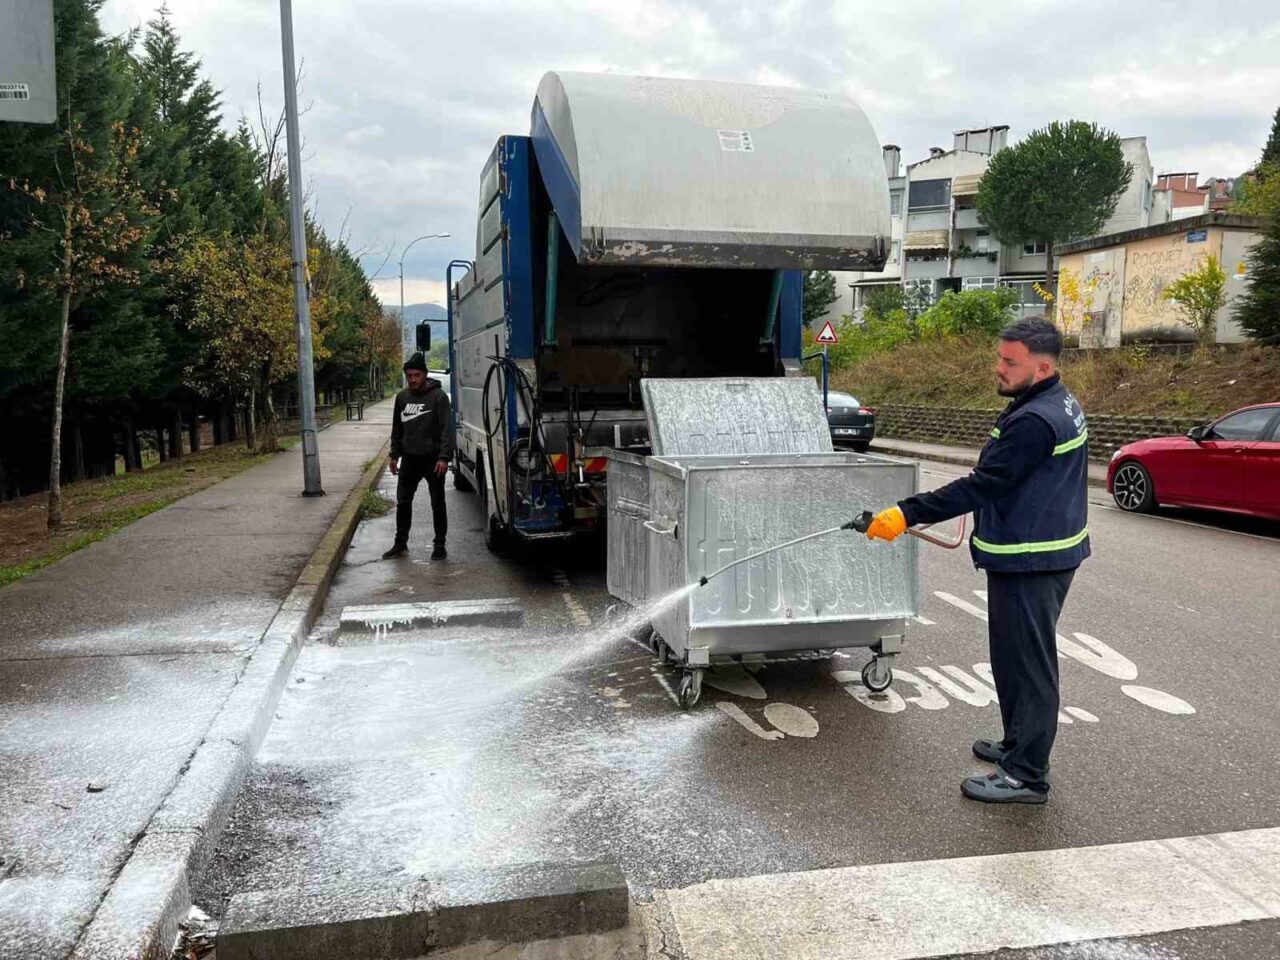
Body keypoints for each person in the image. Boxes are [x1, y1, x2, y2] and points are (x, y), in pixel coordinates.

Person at [865, 317, 1089, 805]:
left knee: (1029, 668)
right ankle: (1017, 743)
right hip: (1038, 554)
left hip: (1032, 560)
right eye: (1000, 357)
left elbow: (984, 485)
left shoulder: (1034, 420)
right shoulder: (1049, 401)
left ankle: (1027, 775)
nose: (1000, 368)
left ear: (1043, 366)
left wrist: (906, 513)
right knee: (1011, 661)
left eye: (1011, 362)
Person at [383, 352, 455, 560]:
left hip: (433, 460)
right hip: (410, 459)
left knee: (437, 503)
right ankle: (400, 543)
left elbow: (446, 430)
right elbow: (397, 429)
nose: (413, 379)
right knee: (403, 502)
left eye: (417, 375)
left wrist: (444, 457)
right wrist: (394, 455)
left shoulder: (438, 397)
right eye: (409, 375)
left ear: (425, 374)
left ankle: (439, 545)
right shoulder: (402, 397)